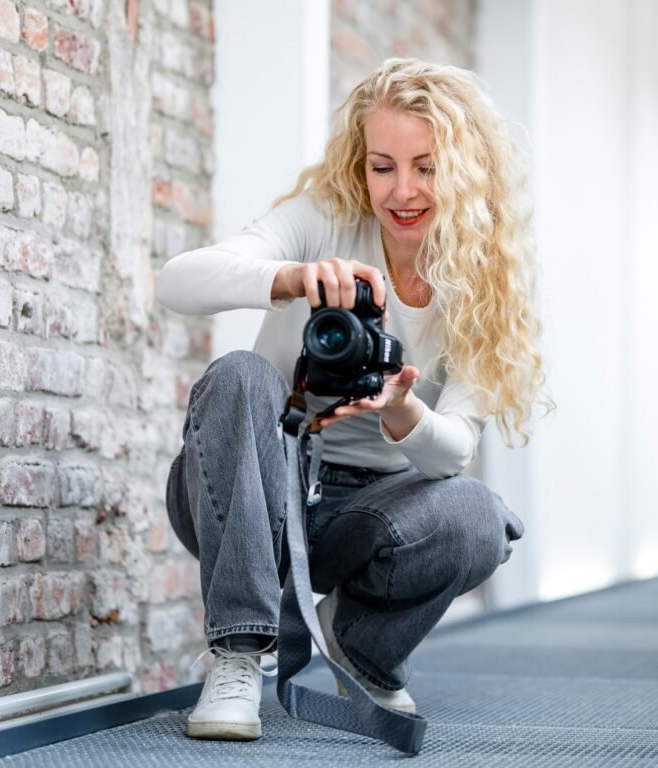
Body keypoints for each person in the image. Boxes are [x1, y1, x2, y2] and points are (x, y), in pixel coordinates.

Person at [155, 58, 550, 742]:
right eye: (382, 166)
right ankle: (238, 654)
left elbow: (454, 448)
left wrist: (401, 409)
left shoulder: (487, 281)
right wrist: (293, 277)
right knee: (241, 372)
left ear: (463, 168)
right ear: (359, 166)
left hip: (370, 518)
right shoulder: (324, 220)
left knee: (481, 517)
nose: (402, 190)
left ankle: (360, 646)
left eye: (427, 167)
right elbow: (177, 283)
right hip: (251, 495)